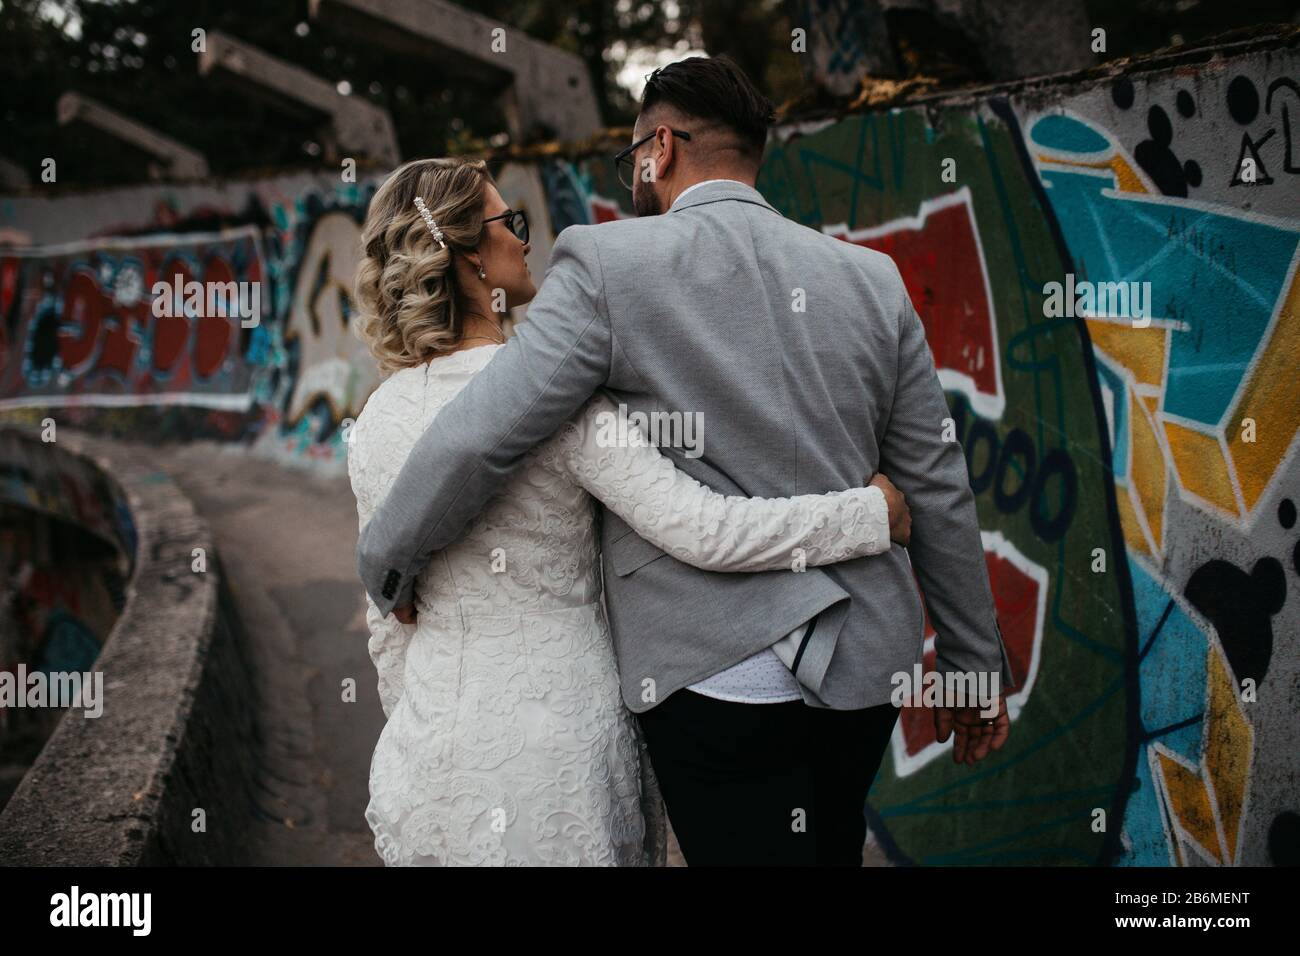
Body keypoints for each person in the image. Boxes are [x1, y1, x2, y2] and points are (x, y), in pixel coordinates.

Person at [357, 54, 1018, 867]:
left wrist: (387, 562)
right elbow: (936, 483)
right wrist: (972, 664)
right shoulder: (871, 279)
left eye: (630, 154)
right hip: (862, 661)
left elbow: (480, 434)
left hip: (711, 672)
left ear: (658, 149)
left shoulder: (603, 266)